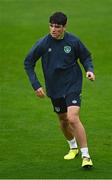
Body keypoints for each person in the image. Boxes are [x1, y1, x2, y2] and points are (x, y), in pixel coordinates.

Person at [24, 12, 95, 168]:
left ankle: (86, 156)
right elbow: (28, 62)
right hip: (54, 87)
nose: (53, 29)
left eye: (57, 27)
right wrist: (36, 85)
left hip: (72, 84)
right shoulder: (43, 43)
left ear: (64, 27)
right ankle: (73, 147)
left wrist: (89, 69)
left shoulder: (73, 41)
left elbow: (86, 56)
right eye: (51, 26)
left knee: (72, 117)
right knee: (63, 121)